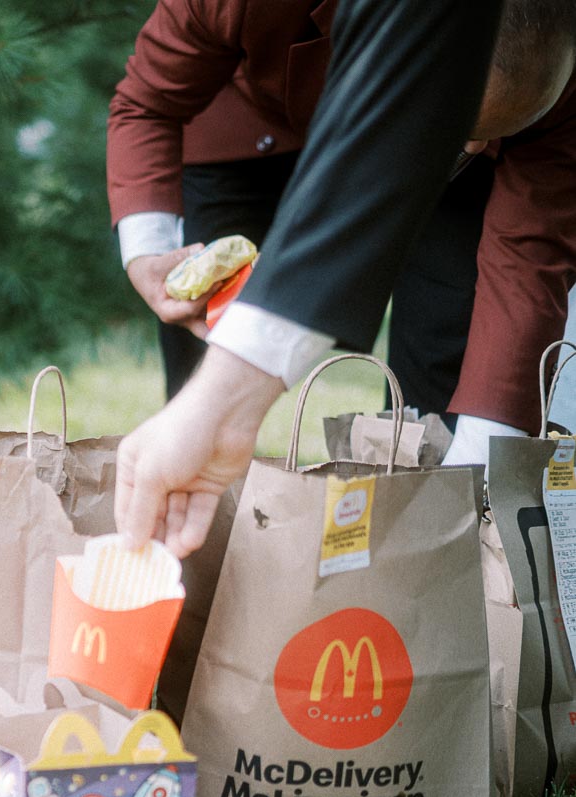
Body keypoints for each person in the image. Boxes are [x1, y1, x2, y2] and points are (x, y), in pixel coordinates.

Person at [115, 0, 575, 554]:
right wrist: (148, 250)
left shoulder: (544, 109)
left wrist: (477, 473)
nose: (474, 147)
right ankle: (201, 568)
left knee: (443, 353)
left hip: (421, 140)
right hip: (243, 125)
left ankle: (406, 560)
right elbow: (147, 103)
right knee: (205, 354)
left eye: (488, 134)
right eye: (460, 128)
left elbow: (529, 257)